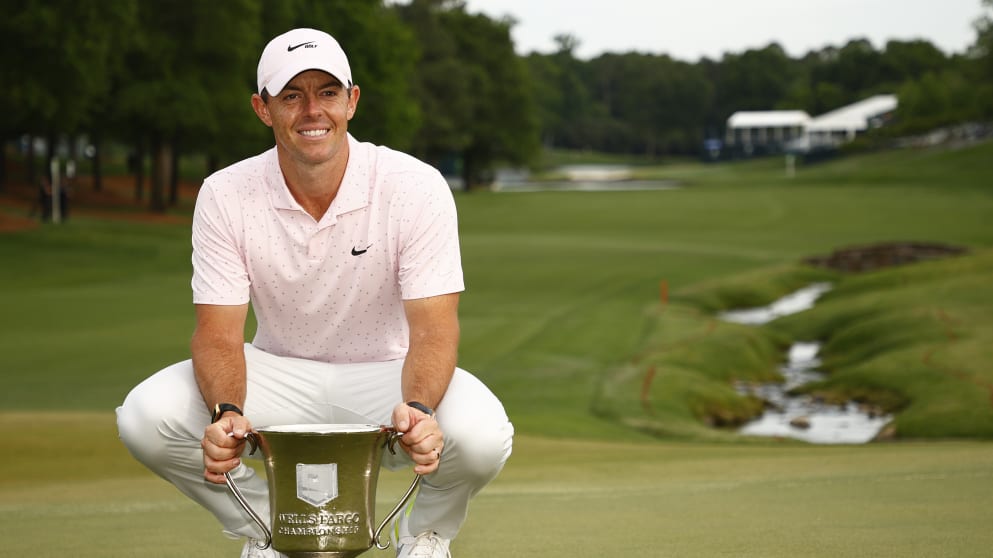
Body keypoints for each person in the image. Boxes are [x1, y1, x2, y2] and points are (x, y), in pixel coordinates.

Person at [116, 27, 514, 558]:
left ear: (351, 101)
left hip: (387, 378)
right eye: (291, 95)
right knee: (146, 416)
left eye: (327, 92)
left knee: (482, 434)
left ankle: (424, 536)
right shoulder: (225, 192)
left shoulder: (414, 184)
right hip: (277, 375)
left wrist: (418, 407)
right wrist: (226, 411)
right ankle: (273, 532)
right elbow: (218, 332)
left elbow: (434, 328)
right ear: (263, 109)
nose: (312, 111)